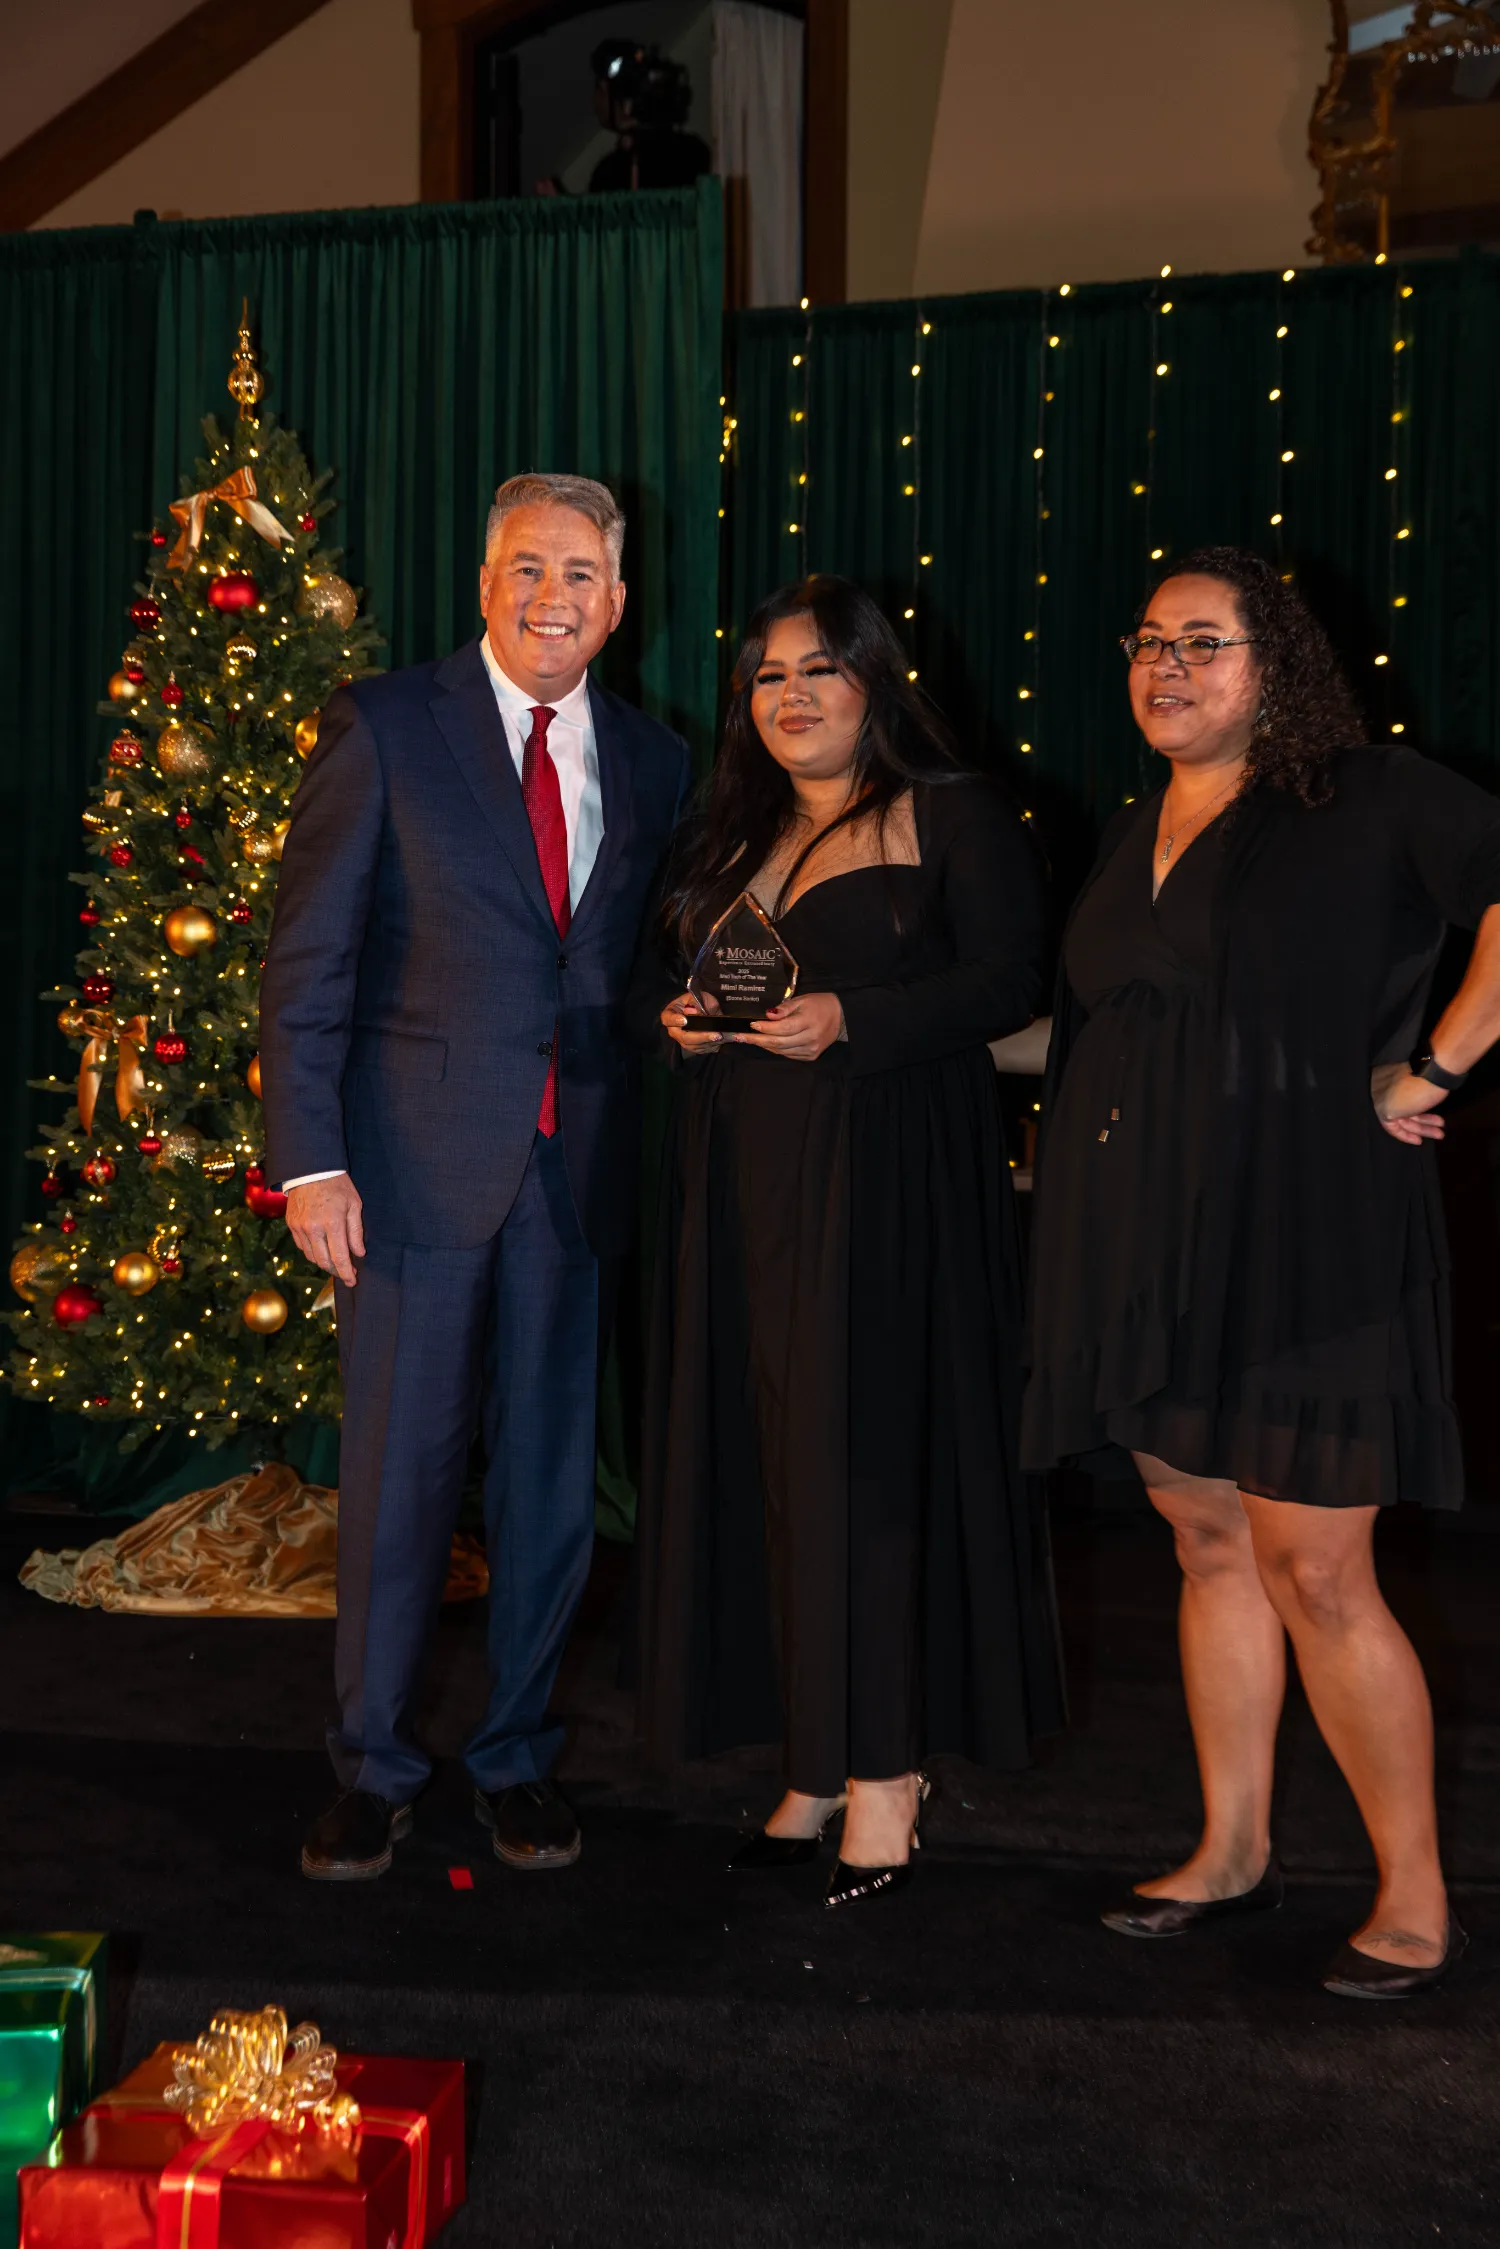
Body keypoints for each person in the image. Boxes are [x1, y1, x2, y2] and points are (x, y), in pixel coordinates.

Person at [1022, 544, 1500, 1997]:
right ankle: (1231, 1848)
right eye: (1148, 641)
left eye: (1203, 643)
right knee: (1208, 1542)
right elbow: (1099, 1026)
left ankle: (1415, 1896)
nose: (1165, 667)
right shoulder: (1129, 829)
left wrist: (1439, 1061)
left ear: (1276, 663)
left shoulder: (1367, 792)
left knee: (1319, 1568)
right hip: (1144, 1241)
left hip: (1310, 1234)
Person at [260, 472, 690, 1881]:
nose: (552, 596)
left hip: (576, 1183)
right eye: (527, 567)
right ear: (486, 583)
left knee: (551, 1495)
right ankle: (374, 1767)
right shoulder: (387, 724)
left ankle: (514, 1757)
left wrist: (687, 1018)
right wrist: (311, 1164)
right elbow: (308, 960)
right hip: (408, 1178)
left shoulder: (655, 759)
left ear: (617, 602)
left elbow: (626, 967)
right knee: (400, 1487)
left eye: (581, 573)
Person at [632, 574, 1065, 1908]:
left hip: (888, 1182)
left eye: (820, 667)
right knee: (770, 1460)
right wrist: (680, 1022)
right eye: (768, 674)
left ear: (876, 680)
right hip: (740, 1181)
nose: (793, 694)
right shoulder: (730, 831)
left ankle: (886, 1771)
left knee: (868, 1464)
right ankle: (812, 1760)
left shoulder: (954, 813)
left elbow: (1015, 982)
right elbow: (677, 975)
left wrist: (854, 1021)